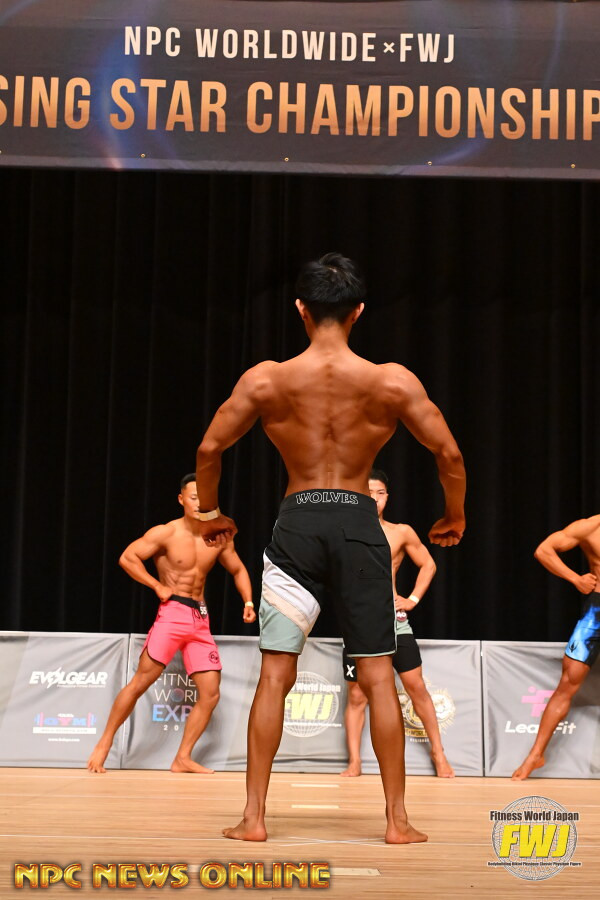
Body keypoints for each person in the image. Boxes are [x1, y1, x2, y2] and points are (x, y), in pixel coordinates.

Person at [195, 252, 466, 842]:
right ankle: (397, 822)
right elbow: (448, 454)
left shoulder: (266, 380)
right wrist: (454, 514)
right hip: (360, 524)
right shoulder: (391, 381)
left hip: (297, 522)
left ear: (300, 308)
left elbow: (209, 450)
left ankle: (254, 819)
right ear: (358, 311)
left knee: (275, 674)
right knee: (378, 675)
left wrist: (212, 515)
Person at [87, 474, 256, 774]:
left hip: (200, 620)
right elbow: (128, 558)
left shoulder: (217, 537)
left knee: (211, 692)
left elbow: (238, 569)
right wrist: (156, 586)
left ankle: (182, 758)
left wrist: (248, 602)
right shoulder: (166, 533)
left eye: (203, 498)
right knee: (141, 682)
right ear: (181, 499)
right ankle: (104, 744)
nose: (199, 503)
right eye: (193, 497)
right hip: (173, 614)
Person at [341, 469, 454, 779]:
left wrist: (413, 599)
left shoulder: (400, 532)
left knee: (416, 686)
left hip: (394, 621)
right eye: (368, 492)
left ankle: (438, 753)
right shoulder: (344, 531)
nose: (374, 498)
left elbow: (428, 564)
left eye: (380, 493)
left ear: (387, 497)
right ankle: (354, 761)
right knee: (357, 695)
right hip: (358, 621)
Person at [512, 514, 600, 780]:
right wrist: (576, 579)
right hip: (596, 612)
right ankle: (535, 755)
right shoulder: (590, 527)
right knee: (568, 681)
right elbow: (544, 550)